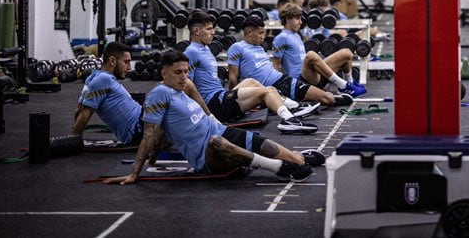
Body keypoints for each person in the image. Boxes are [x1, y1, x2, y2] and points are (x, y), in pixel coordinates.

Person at [103, 51, 318, 185]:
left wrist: (212, 118)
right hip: (208, 156)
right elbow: (151, 134)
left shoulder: (183, 87)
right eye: (178, 72)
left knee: (279, 151)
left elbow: (192, 96)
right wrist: (135, 173)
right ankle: (279, 169)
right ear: (163, 74)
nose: (184, 77)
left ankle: (299, 158)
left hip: (221, 131)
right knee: (217, 142)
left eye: (186, 71)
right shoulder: (158, 96)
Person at [182, 11, 318, 134]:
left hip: (220, 96)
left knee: (252, 82)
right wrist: (204, 115)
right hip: (214, 105)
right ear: (196, 31)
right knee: (268, 91)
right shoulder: (191, 52)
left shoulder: (205, 49)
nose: (213, 32)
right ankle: (289, 120)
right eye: (209, 29)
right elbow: (187, 87)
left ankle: (292, 106)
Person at [227, 16, 363, 109]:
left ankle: (330, 94)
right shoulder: (237, 48)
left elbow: (274, 69)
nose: (263, 37)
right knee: (324, 98)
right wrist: (229, 98)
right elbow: (233, 77)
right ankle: (307, 102)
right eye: (260, 33)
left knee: (327, 97)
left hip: (285, 80)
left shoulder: (260, 47)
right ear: (250, 33)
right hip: (273, 86)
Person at [272, 3, 357, 85]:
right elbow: (276, 64)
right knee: (311, 55)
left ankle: (350, 84)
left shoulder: (297, 36)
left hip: (312, 74)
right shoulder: (281, 38)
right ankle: (343, 85)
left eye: (301, 19)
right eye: (297, 18)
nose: (301, 22)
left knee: (347, 52)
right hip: (300, 80)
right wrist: (282, 86)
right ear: (287, 19)